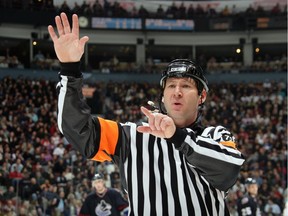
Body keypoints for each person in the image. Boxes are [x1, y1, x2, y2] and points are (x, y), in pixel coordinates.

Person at [48, 12, 245, 215]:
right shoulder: (130, 136)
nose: (177, 91)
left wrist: (176, 136)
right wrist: (69, 69)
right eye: (171, 86)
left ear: (202, 96)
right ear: (163, 95)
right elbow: (76, 128)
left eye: (186, 86)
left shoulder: (216, 136)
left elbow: (228, 172)